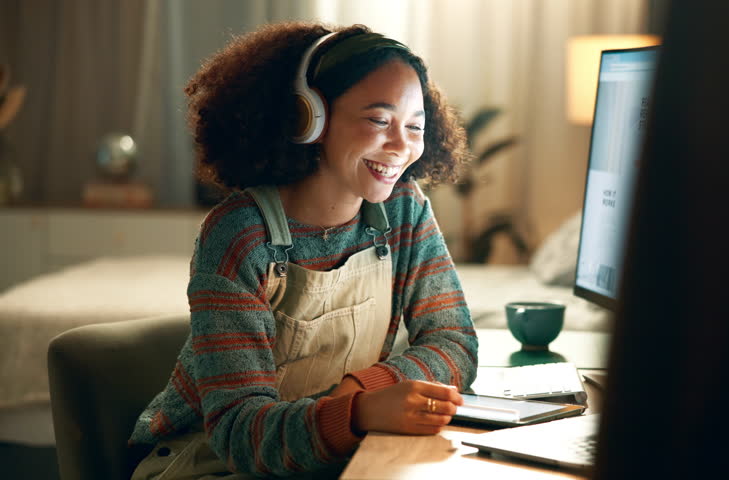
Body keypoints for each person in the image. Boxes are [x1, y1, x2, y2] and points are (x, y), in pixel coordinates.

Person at [128, 22, 478, 478]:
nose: (401, 146)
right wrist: (358, 412)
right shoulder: (239, 234)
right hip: (206, 461)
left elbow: (454, 343)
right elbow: (238, 431)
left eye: (415, 127)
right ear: (308, 117)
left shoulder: (405, 210)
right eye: (378, 120)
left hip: (329, 455)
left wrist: (359, 390)